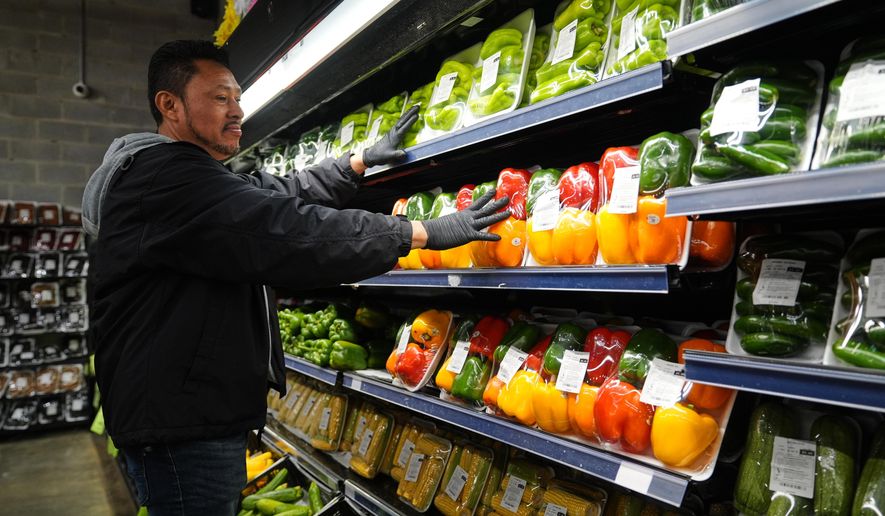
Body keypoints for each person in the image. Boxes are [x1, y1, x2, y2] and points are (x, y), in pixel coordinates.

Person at [82, 40, 509, 515]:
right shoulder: (166, 178)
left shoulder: (187, 175)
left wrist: (356, 163)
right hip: (181, 426)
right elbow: (286, 227)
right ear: (170, 105)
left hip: (186, 415)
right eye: (221, 98)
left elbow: (276, 191)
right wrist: (420, 231)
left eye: (238, 98)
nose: (237, 111)